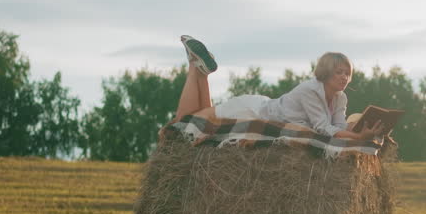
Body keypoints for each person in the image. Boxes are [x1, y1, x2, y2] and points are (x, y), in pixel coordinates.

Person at [165, 35, 385, 142]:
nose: (345, 77)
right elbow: (323, 128)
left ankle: (199, 68)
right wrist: (358, 138)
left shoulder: (340, 98)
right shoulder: (311, 89)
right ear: (326, 72)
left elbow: (337, 125)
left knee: (198, 120)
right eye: (339, 72)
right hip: (250, 110)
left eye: (347, 73)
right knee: (184, 125)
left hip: (264, 105)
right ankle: (195, 68)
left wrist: (359, 130)